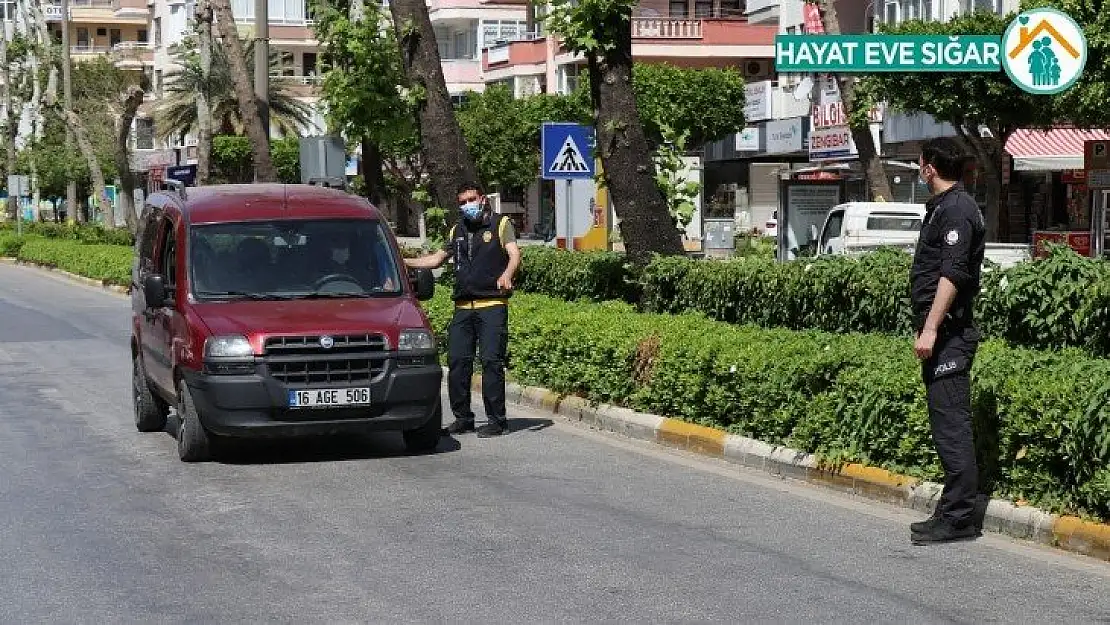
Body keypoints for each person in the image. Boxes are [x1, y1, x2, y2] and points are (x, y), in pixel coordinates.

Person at [908, 137, 988, 545]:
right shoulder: (946, 206)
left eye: (920, 163)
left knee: (952, 425)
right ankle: (951, 509)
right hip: (944, 332)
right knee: (945, 424)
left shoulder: (956, 209)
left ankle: (959, 519)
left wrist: (931, 328)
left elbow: (952, 274)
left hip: (950, 334)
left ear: (929, 168)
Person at [405, 182, 522, 438]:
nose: (467, 205)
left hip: (491, 304)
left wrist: (507, 274)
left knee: (491, 361)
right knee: (457, 361)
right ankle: (463, 418)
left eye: (471, 199)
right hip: (462, 307)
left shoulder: (500, 225)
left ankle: (496, 420)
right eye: (462, 202)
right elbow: (435, 260)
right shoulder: (456, 230)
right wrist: (401, 261)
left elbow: (514, 254)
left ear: (482, 199)